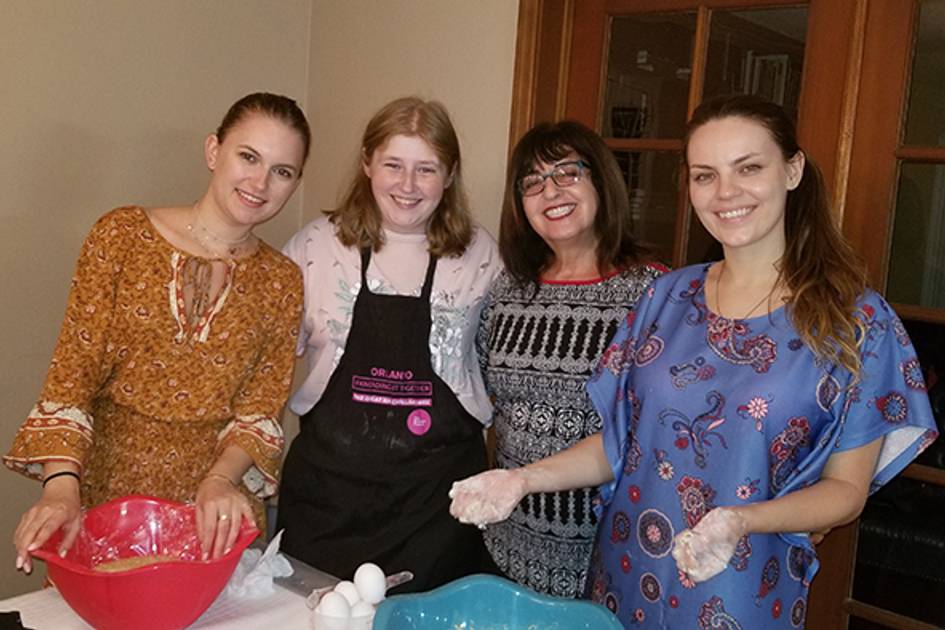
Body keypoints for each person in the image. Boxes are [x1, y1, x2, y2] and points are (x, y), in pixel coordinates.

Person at [449, 95, 938, 628]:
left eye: (748, 167)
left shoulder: (857, 322)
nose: (726, 192)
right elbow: (621, 444)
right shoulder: (666, 297)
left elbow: (846, 491)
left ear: (792, 170)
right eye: (705, 175)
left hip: (743, 583)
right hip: (623, 572)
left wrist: (739, 522)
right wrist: (521, 481)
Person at [6, 92, 309, 573]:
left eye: (282, 171)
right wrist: (61, 489)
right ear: (214, 151)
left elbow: (260, 411)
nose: (260, 182)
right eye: (248, 157)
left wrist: (219, 482)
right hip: (106, 504)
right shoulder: (121, 236)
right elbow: (72, 378)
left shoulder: (282, 280)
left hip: (213, 517)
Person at [275, 97, 501, 592]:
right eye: (393, 165)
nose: (408, 185)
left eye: (426, 169)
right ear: (367, 163)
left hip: (436, 510)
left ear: (449, 175)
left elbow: (501, 369)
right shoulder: (314, 248)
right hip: (329, 503)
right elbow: (261, 372)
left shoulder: (481, 254)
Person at [477, 120, 665, 598]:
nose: (550, 191)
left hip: (613, 550)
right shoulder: (507, 291)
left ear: (600, 180)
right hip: (510, 541)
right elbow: (482, 399)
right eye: (533, 182)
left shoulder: (654, 292)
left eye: (567, 173)